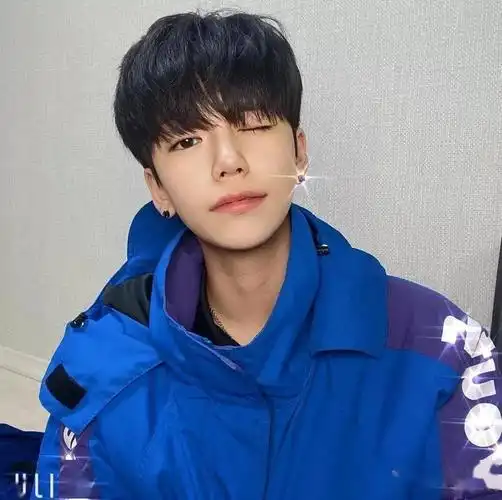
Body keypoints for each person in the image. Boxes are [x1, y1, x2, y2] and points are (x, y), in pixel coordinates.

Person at [30, 10, 502, 500]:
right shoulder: (101, 367)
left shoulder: (443, 349)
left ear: (299, 153)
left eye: (253, 124)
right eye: (188, 140)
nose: (229, 161)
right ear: (158, 188)